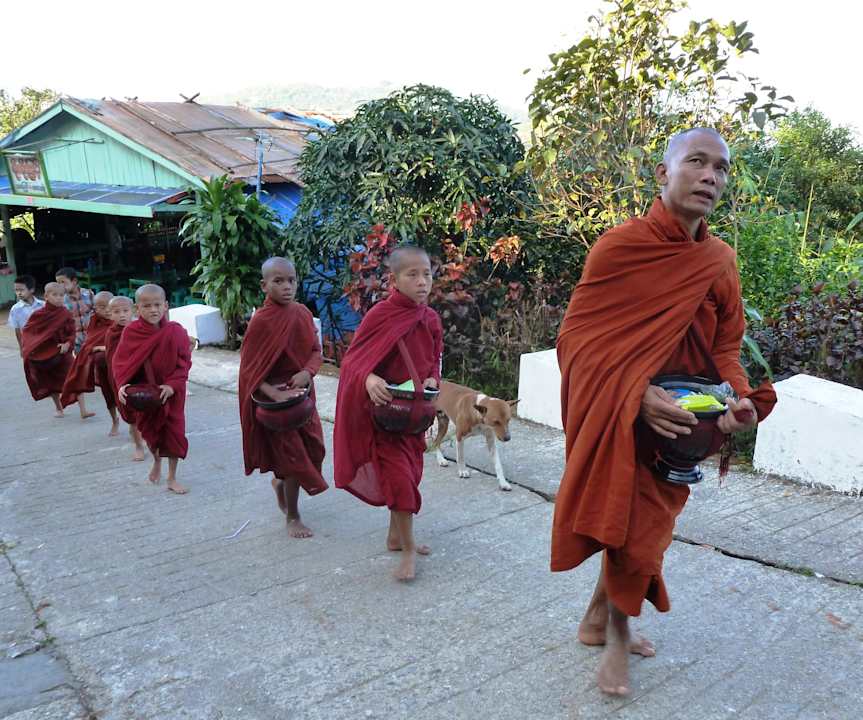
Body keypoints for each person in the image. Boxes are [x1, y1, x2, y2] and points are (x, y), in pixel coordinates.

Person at [552, 128, 778, 696]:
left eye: (721, 168)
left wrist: (739, 397)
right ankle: (619, 640)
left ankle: (596, 620)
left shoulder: (719, 260)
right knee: (632, 529)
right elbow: (576, 340)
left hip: (685, 421)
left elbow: (727, 346)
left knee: (646, 527)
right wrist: (634, 392)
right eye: (697, 162)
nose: (710, 176)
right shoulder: (618, 247)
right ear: (663, 173)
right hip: (624, 416)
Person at [334, 246, 443, 581]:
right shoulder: (381, 315)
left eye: (426, 273)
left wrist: (431, 379)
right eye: (412, 274)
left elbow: (434, 362)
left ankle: (395, 536)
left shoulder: (431, 319)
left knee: (410, 477)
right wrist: (368, 377)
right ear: (394, 280)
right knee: (399, 481)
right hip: (385, 414)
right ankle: (408, 550)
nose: (422, 281)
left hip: (413, 415)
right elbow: (353, 360)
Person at [239, 257, 328, 538]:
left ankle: (281, 485)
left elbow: (316, 351)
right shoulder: (261, 322)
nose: (286, 286)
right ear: (264, 285)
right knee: (293, 459)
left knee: (314, 450)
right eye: (278, 281)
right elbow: (250, 368)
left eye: (291, 280)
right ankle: (293, 515)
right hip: (276, 404)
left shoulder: (302, 313)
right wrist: (274, 392)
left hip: (303, 396)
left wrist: (307, 372)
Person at [113, 284, 192, 494]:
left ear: (166, 305)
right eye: (147, 306)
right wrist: (123, 385)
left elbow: (184, 363)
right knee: (150, 432)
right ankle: (156, 461)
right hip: (146, 394)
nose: (153, 310)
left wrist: (172, 385)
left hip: (171, 393)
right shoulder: (131, 332)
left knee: (174, 434)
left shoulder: (175, 331)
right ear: (138, 309)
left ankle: (172, 477)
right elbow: (121, 362)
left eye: (157, 305)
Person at [60, 291, 119, 430]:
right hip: (103, 367)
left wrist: (102, 348)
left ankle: (132, 426)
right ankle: (114, 421)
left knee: (124, 397)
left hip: (121, 367)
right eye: (100, 307)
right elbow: (89, 345)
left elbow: (125, 346)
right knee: (108, 396)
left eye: (107, 306)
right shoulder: (94, 323)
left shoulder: (122, 321)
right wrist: (96, 349)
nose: (104, 310)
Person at [20, 282, 75, 418]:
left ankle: (83, 409)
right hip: (46, 355)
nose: (58, 298)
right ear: (46, 296)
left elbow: (72, 332)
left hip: (63, 351)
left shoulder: (66, 313)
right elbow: (29, 332)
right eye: (54, 295)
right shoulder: (39, 315)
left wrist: (68, 343)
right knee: (50, 382)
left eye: (61, 295)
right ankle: (59, 408)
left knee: (74, 375)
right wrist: (31, 348)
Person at [105, 296, 146, 461]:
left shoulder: (139, 329)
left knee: (143, 412)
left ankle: (139, 434)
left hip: (141, 376)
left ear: (134, 311)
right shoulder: (111, 333)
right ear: (109, 315)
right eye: (116, 312)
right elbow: (112, 359)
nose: (122, 315)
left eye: (125, 311)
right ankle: (138, 446)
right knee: (131, 414)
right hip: (121, 379)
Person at [55, 266, 94, 354]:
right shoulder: (61, 301)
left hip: (92, 338)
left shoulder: (89, 294)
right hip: (75, 342)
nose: (61, 286)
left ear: (74, 281)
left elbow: (96, 313)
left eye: (63, 282)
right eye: (58, 283)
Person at [8, 275, 44, 356]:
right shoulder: (15, 309)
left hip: (45, 342)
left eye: (21, 290)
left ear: (32, 289)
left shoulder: (43, 305)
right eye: (16, 290)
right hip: (29, 345)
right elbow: (17, 331)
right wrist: (21, 348)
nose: (19, 293)